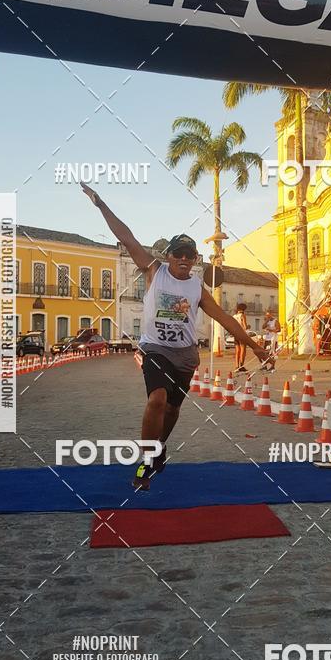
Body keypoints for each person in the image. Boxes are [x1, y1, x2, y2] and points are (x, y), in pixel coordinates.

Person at [81, 182, 270, 490]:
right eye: (178, 254)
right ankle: (145, 464)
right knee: (157, 400)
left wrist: (255, 346)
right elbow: (126, 237)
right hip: (155, 349)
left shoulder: (197, 287)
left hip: (185, 356)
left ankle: (159, 448)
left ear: (195, 259)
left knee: (172, 408)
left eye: (190, 255)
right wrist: (101, 204)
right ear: (168, 256)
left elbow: (224, 319)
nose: (184, 259)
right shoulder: (154, 271)